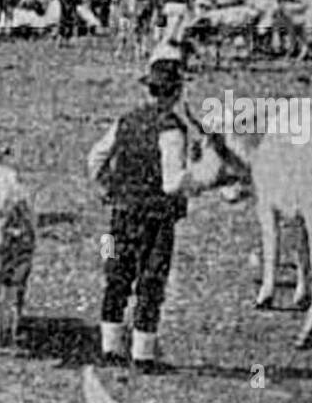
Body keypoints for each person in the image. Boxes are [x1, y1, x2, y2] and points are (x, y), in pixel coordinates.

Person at [85, 47, 223, 371]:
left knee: (116, 275)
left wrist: (107, 187)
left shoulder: (125, 120)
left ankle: (110, 348)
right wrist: (201, 181)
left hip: (119, 215)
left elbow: (95, 158)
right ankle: (143, 354)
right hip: (157, 220)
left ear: (148, 88)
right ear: (178, 91)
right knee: (151, 280)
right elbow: (172, 183)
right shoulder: (171, 129)